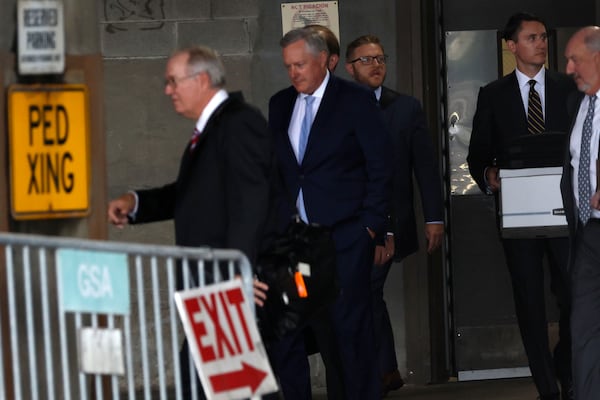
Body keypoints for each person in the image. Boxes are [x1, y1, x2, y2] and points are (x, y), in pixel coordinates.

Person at [107, 45, 273, 398]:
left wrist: (237, 274)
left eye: (172, 81)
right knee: (219, 387)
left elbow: (251, 204)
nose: (168, 90)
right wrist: (135, 202)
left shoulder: (239, 123)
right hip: (212, 286)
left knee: (222, 387)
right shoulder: (212, 128)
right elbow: (190, 194)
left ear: (200, 79)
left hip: (223, 285)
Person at [267, 27, 391, 400]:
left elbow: (381, 166)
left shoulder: (354, 100)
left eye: (300, 64)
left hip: (344, 237)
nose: (293, 73)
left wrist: (370, 226)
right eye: (288, 66)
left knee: (347, 334)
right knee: (289, 335)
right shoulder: (279, 104)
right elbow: (278, 170)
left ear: (324, 60)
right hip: (294, 242)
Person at [467, 12, 575, 400]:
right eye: (531, 38)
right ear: (511, 46)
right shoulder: (492, 94)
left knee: (573, 295)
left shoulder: (568, 87)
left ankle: (566, 365)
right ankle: (548, 388)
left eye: (544, 37)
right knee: (528, 300)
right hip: (519, 215)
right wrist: (488, 174)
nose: (541, 43)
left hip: (565, 213)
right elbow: (477, 154)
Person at [344, 34, 445, 396]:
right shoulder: (339, 108)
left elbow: (425, 168)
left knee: (368, 288)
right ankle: (383, 370)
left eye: (381, 58)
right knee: (365, 294)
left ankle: (380, 373)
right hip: (348, 223)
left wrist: (434, 218)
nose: (377, 65)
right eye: (367, 60)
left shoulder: (405, 108)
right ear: (349, 67)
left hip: (388, 223)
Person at [562, 25, 600, 400]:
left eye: (575, 59)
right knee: (584, 326)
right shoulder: (578, 102)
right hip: (588, 232)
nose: (569, 68)